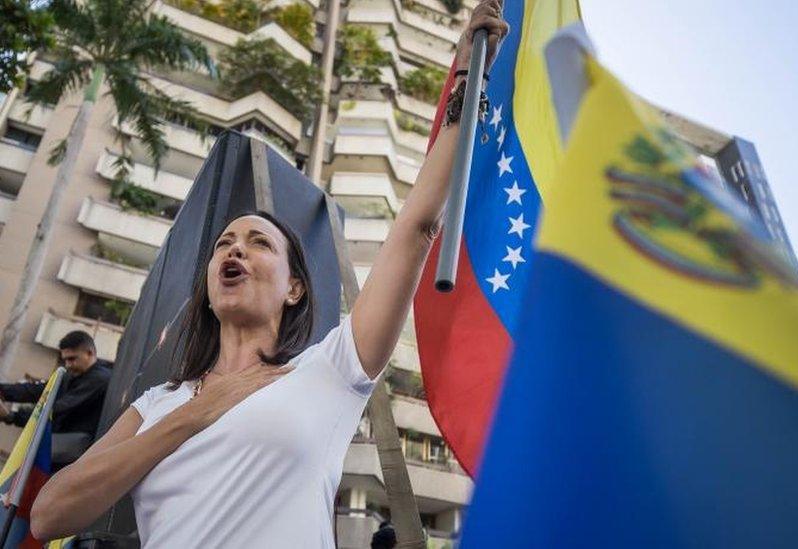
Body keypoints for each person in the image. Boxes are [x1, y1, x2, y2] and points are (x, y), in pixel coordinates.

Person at [29, 2, 508, 547]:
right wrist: (195, 414)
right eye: (225, 244)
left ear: (294, 287)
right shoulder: (157, 404)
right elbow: (48, 516)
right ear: (210, 285)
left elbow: (418, 228)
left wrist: (468, 79)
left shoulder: (331, 369)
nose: (236, 250)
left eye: (259, 243)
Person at [0, 330, 111, 470]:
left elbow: (57, 410)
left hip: (76, 454)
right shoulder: (71, 375)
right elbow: (40, 391)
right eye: (65, 360)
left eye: (72, 359)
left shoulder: (99, 379)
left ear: (89, 353)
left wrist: (10, 417)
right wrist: (3, 391)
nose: (68, 364)